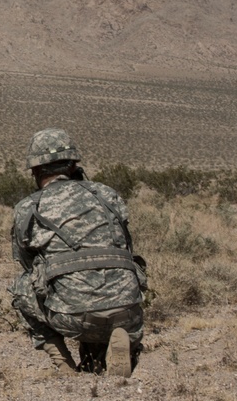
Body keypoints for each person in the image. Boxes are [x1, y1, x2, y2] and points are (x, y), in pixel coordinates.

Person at [8, 128, 145, 377]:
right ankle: (115, 344)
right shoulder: (107, 195)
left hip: (71, 317)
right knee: (114, 272)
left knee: (23, 284)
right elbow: (127, 247)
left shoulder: (29, 207)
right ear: (74, 165)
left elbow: (28, 263)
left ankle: (64, 365)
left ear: (35, 171)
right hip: (128, 312)